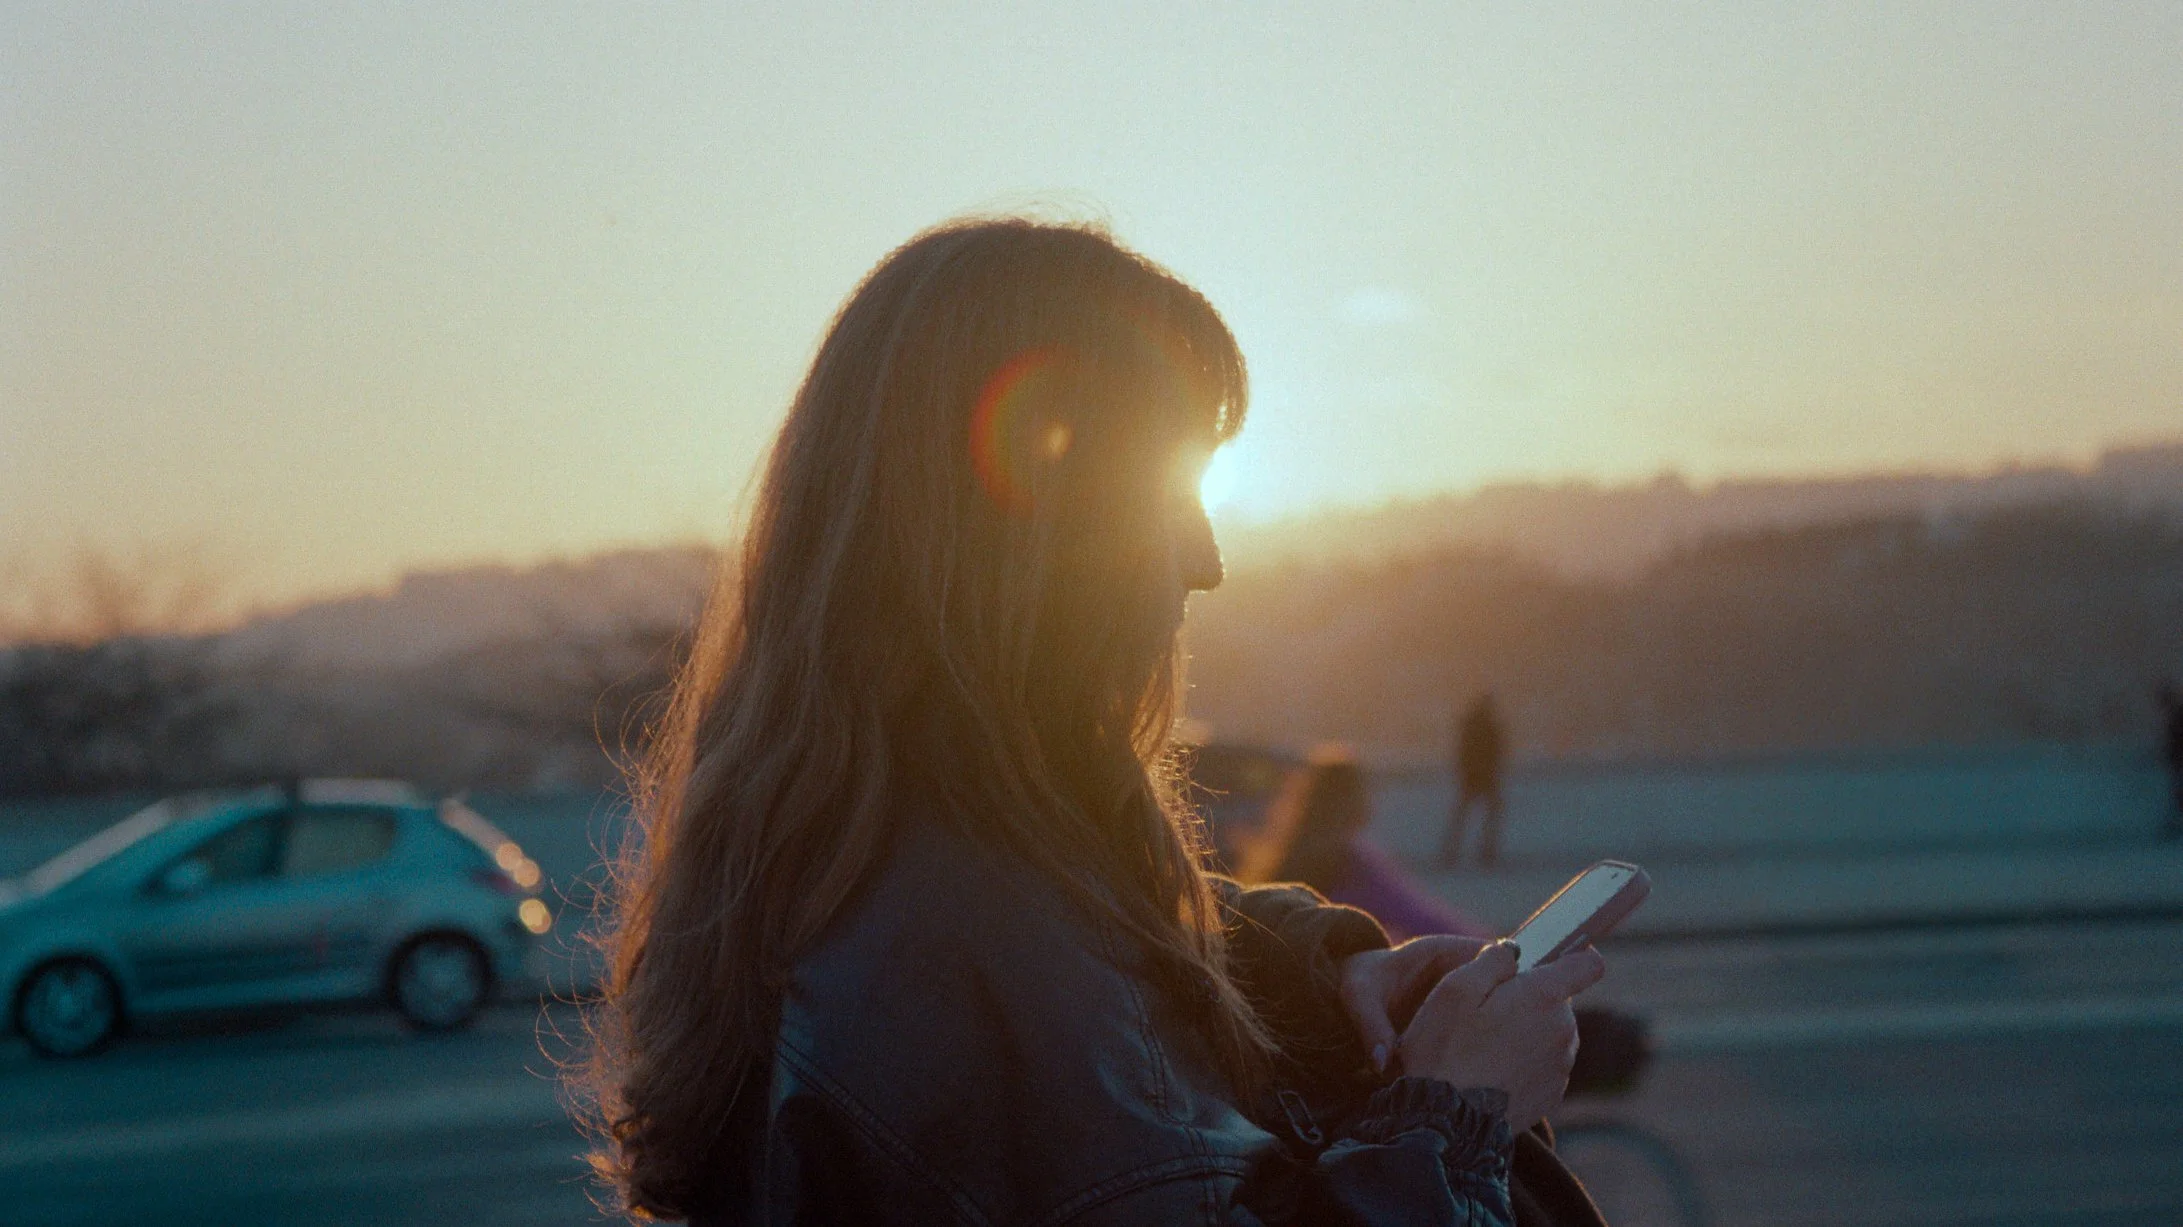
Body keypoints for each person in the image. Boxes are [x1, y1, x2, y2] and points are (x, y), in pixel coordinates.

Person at [576, 219, 1611, 1225]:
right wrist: (1453, 1120)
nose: (1205, 562)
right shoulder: (969, 949)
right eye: (1167, 496)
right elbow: (1051, 1035)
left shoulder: (863, 855)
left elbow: (1088, 1012)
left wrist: (1308, 983)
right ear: (1027, 549)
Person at [1264, 744, 1494, 941]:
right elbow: (1416, 916)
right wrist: (1490, 944)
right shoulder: (1352, 862)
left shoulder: (1287, 855)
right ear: (1350, 799)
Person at [1442, 692, 1508, 868]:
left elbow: (1463, 752)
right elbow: (1497, 751)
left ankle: (1452, 852)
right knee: (1484, 813)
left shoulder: (1472, 726)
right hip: (1482, 776)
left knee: (1463, 815)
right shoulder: (1488, 727)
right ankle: (1484, 852)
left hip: (1473, 776)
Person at [2160, 683, 2183, 840]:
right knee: (2178, 791)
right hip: (2177, 761)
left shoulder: (2177, 716)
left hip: (2178, 760)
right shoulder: (2176, 716)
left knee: (2179, 791)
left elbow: (2175, 741)